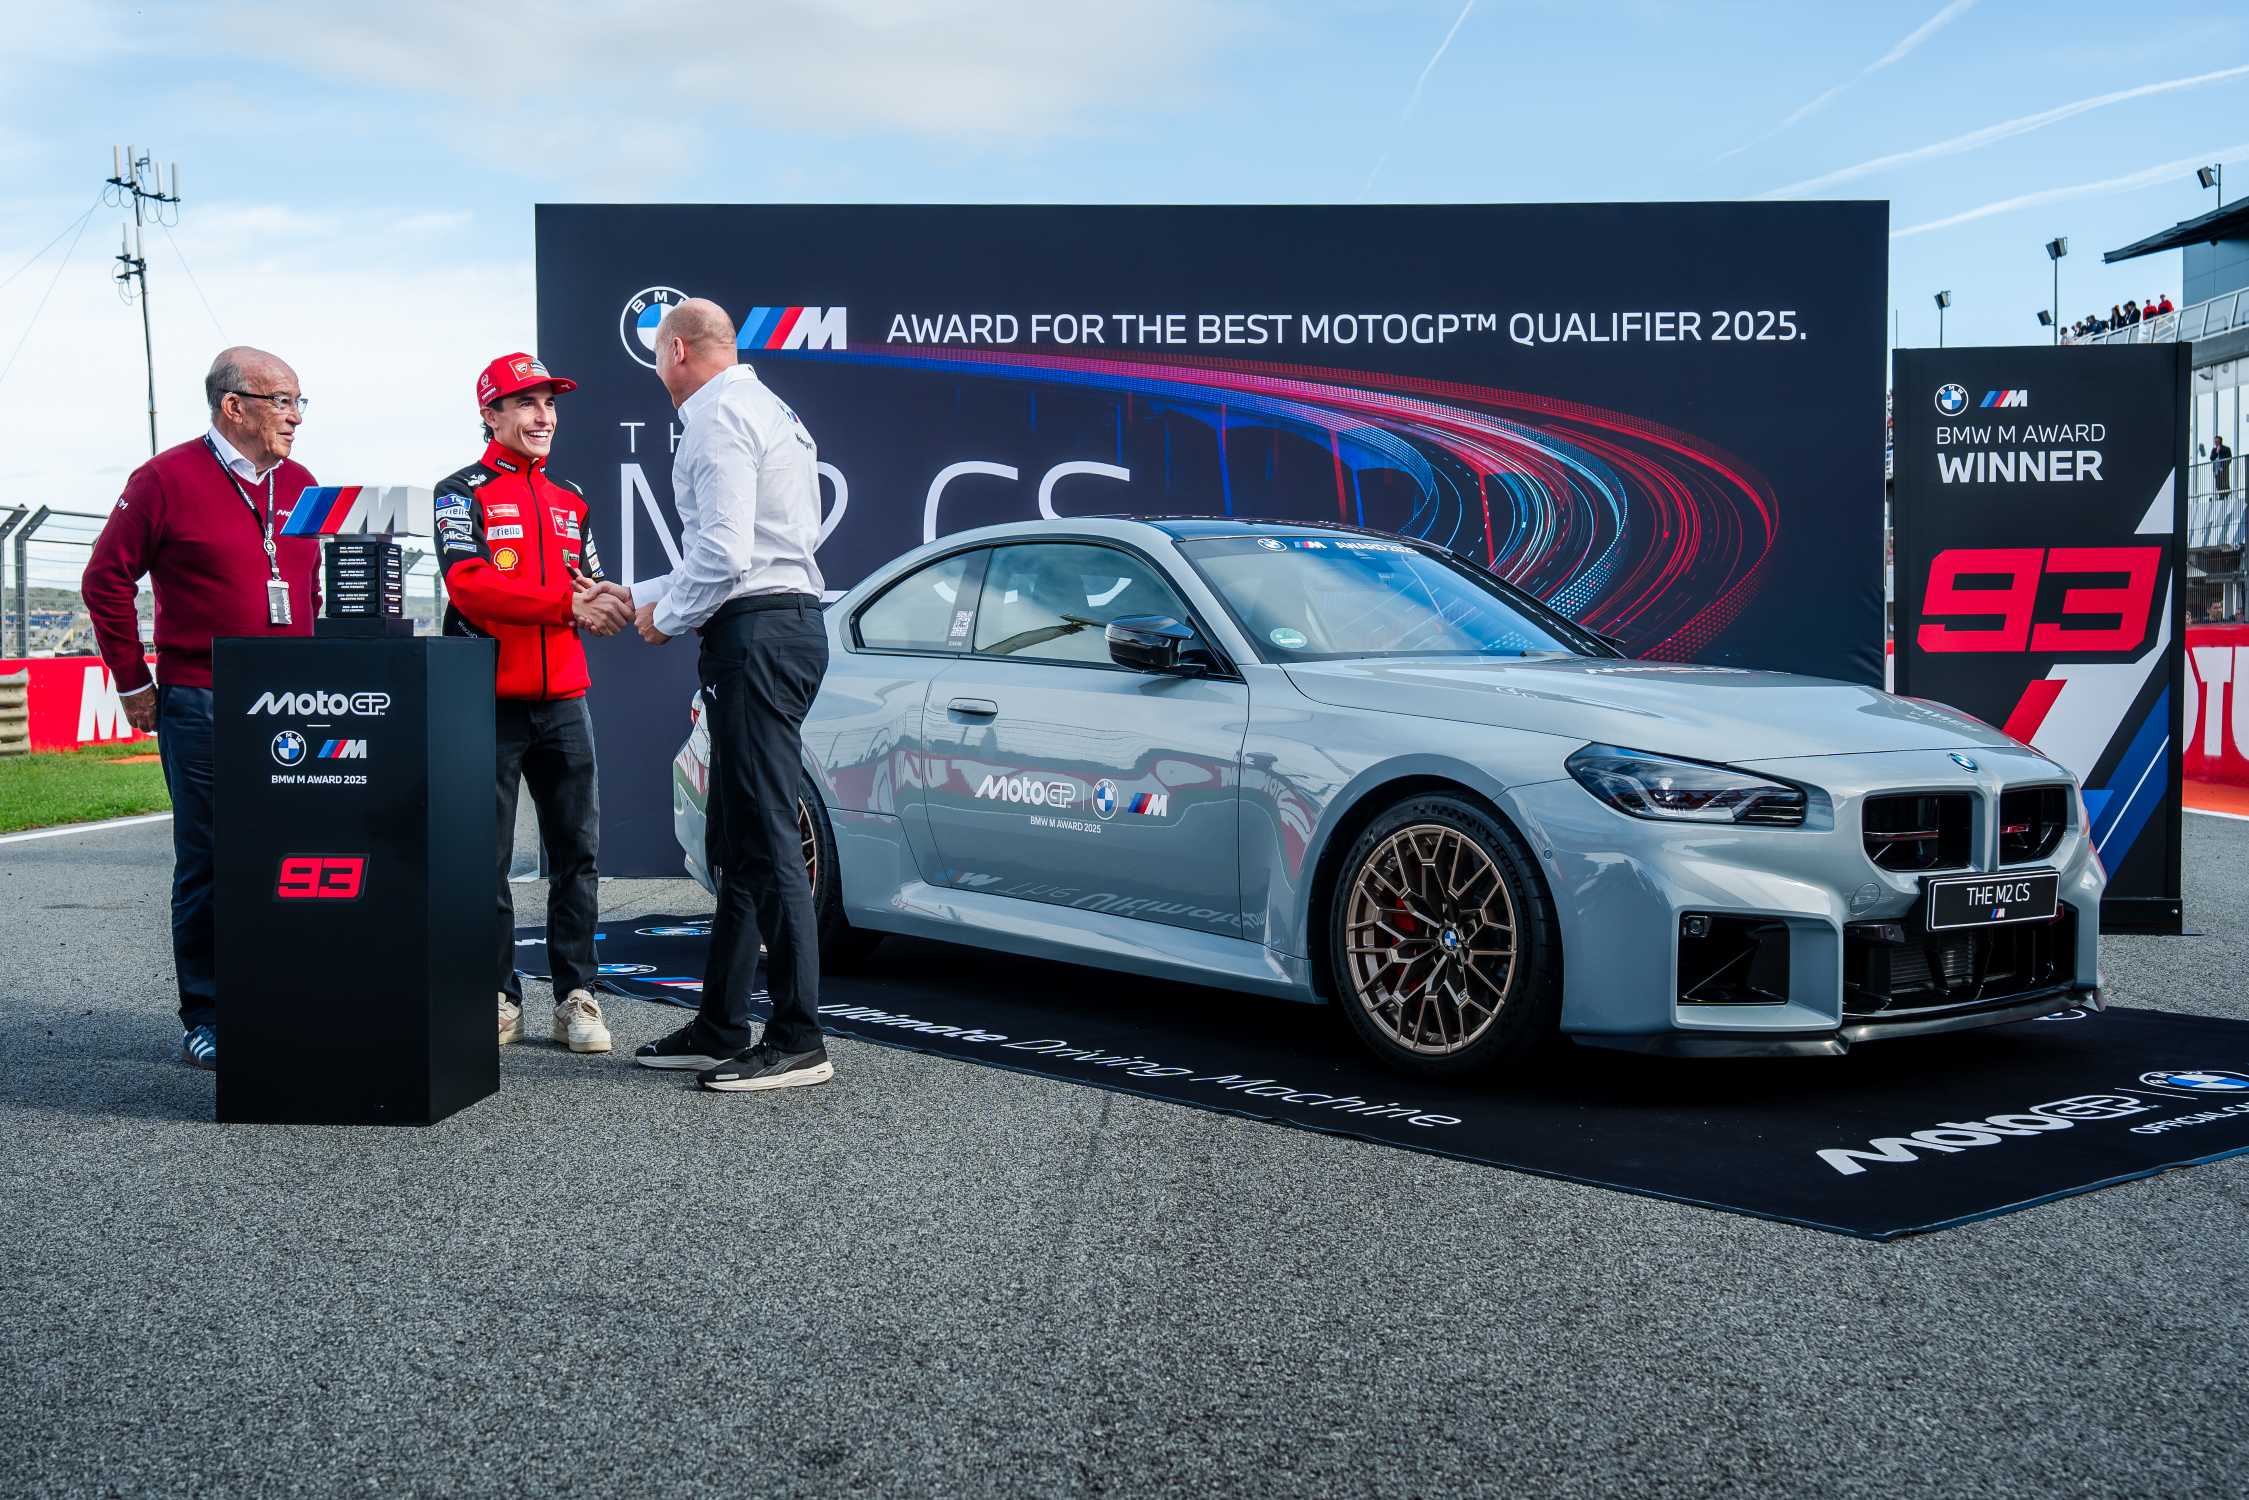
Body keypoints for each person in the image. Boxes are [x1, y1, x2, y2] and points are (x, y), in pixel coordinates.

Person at [81, 347, 321, 1070]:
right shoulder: (165, 478)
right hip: (204, 698)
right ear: (233, 405)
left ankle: (287, 995)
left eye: (299, 402)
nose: (295, 416)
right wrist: (133, 682)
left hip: (299, 701)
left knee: (296, 855)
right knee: (212, 858)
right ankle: (209, 1013)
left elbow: (316, 589)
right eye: (282, 400)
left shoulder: (303, 484)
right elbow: (104, 580)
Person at [625, 299, 833, 1093]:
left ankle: (798, 1039)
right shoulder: (764, 406)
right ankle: (720, 1026)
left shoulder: (716, 416)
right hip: (775, 625)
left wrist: (665, 616)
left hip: (757, 635)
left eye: (657, 355)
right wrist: (635, 594)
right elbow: (746, 552)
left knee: (767, 834)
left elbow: (724, 552)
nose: (657, 370)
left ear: (676, 350)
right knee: (739, 835)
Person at [434, 353, 634, 1055]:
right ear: (490, 414)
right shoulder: (459, 492)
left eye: (549, 403)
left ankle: (577, 996)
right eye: (524, 403)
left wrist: (614, 604)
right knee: (484, 859)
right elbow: (470, 586)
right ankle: (498, 995)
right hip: (486, 702)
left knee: (577, 855)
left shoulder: (570, 496)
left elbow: (591, 580)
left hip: (566, 702)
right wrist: (568, 605)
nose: (542, 416)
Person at [2214, 435, 2233, 500]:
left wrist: (2224, 465)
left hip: (2224, 468)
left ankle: (2226, 496)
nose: (2215, 442)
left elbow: (2229, 458)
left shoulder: (2226, 449)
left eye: (2217, 441)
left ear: (2220, 441)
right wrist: (2216, 452)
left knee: (2225, 482)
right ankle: (2220, 496)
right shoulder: (2214, 450)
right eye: (2215, 441)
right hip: (2216, 469)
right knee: (2218, 483)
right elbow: (2212, 458)